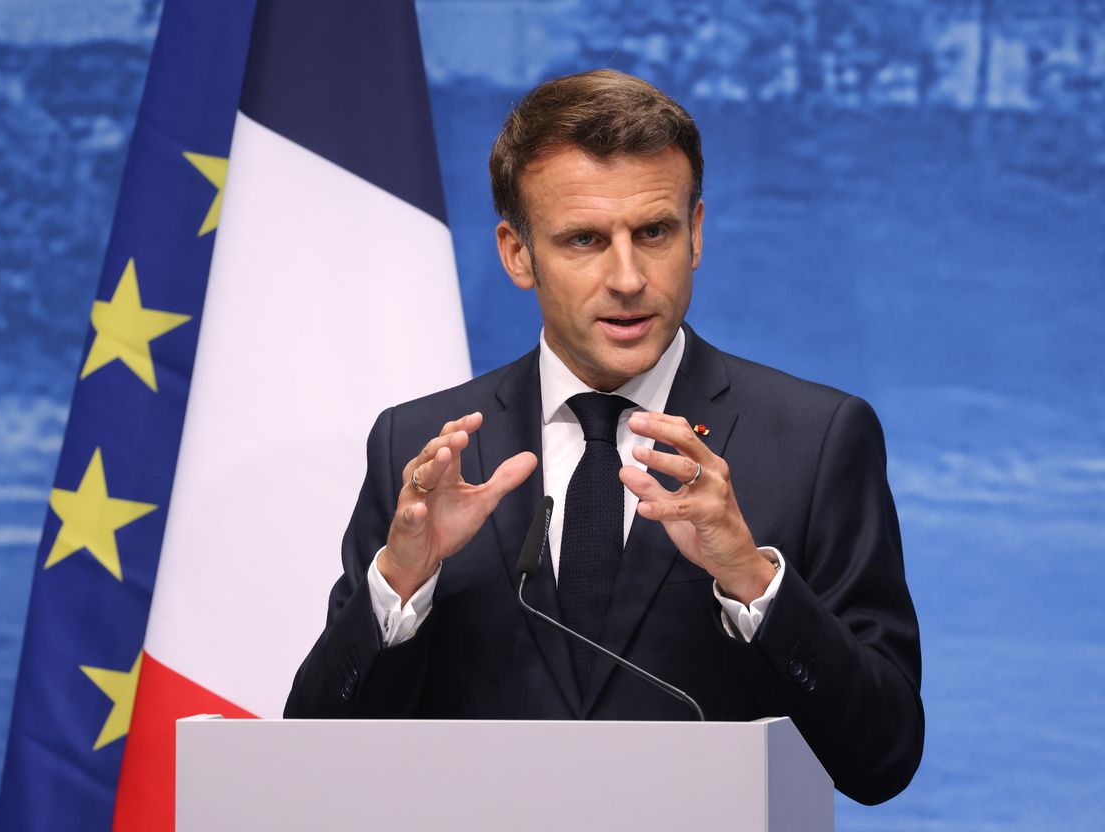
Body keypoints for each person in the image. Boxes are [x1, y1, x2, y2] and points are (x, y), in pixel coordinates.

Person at [284, 69, 923, 805]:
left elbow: (883, 758)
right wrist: (400, 583)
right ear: (517, 254)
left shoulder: (815, 440)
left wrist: (754, 581)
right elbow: (313, 752)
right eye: (584, 240)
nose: (627, 278)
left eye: (653, 232)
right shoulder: (419, 446)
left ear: (697, 234)